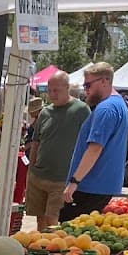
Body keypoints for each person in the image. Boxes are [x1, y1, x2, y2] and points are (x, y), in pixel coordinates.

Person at [60, 61, 128, 220]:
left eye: (88, 85)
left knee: (69, 231)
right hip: (100, 186)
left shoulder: (106, 109)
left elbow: (95, 148)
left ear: (104, 81)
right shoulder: (119, 104)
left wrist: (74, 181)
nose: (86, 90)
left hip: (90, 186)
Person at [25, 72, 90, 231]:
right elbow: (36, 142)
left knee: (52, 219)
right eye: (49, 90)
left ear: (67, 88)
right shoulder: (45, 112)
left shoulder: (81, 110)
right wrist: (30, 170)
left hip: (62, 178)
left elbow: (89, 143)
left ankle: (53, 245)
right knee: (39, 218)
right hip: (38, 176)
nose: (52, 94)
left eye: (56, 90)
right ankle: (41, 245)